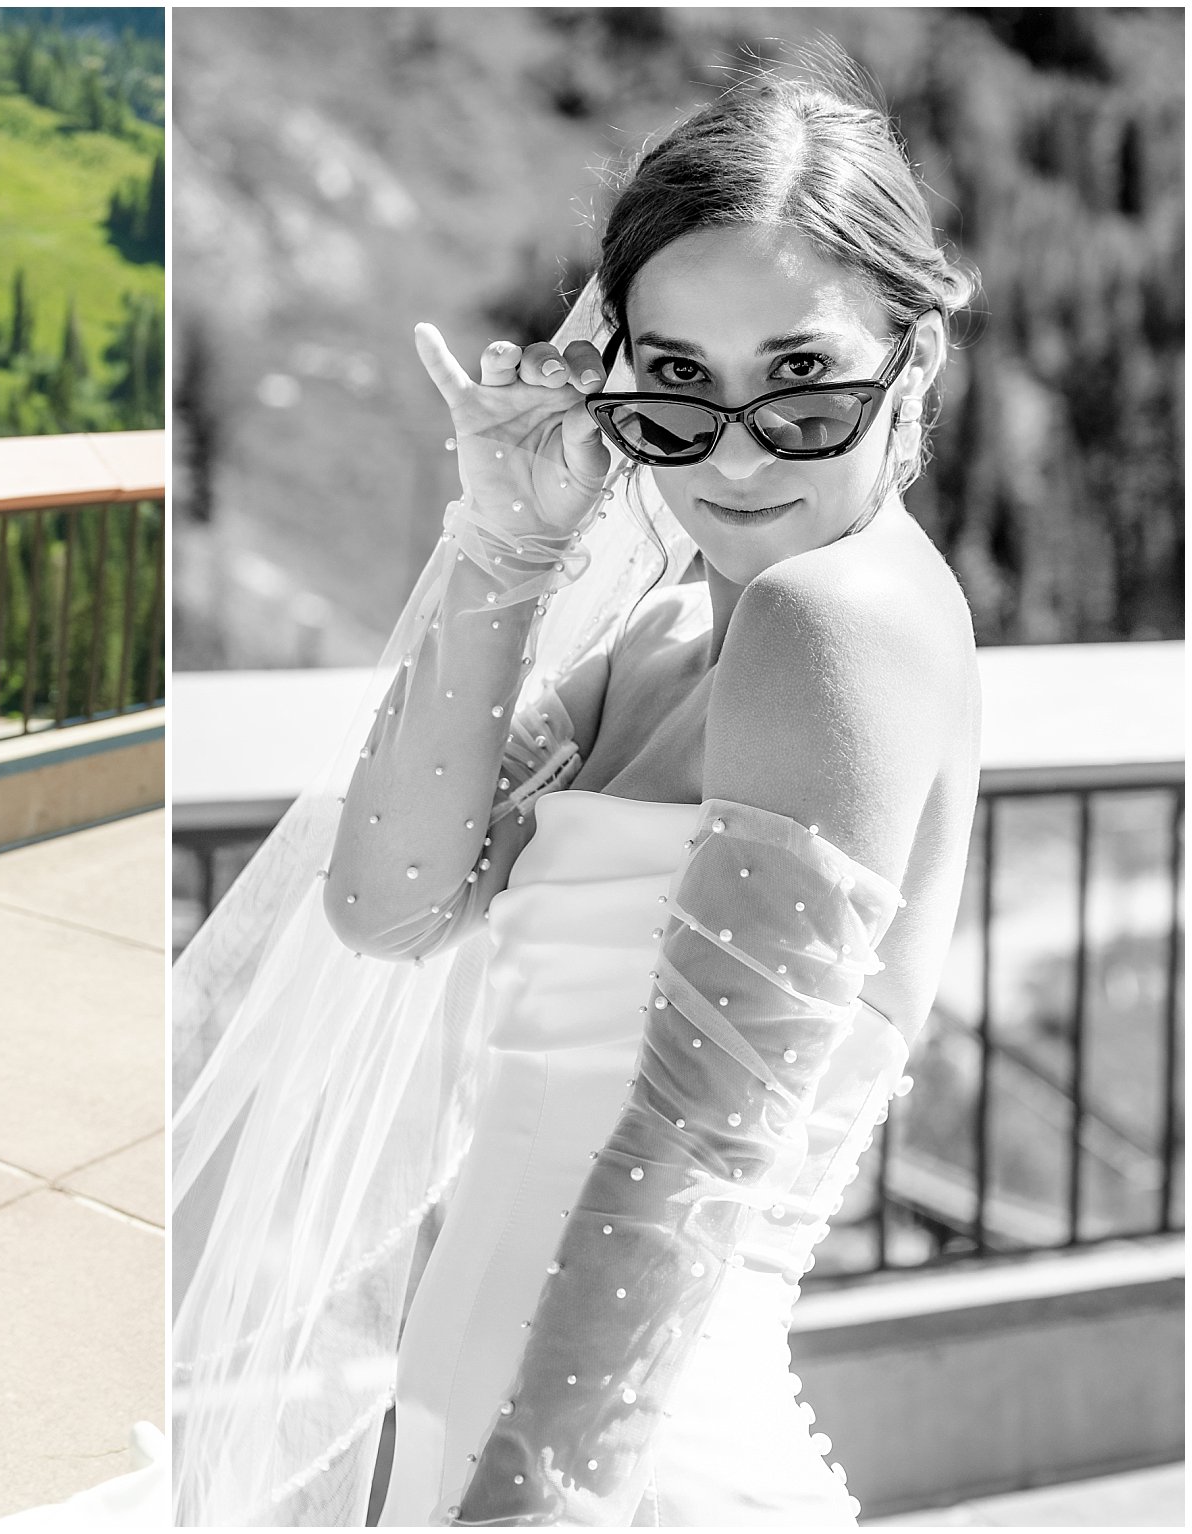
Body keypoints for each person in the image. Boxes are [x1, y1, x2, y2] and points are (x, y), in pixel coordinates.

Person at [171, 52, 982, 1527]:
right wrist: (506, 545)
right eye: (676, 387)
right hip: (495, 1427)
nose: (734, 450)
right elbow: (388, 904)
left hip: (615, 1468)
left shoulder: (836, 622)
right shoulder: (660, 645)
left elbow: (691, 1147)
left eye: (802, 383)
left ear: (912, 359)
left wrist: (531, 1507)